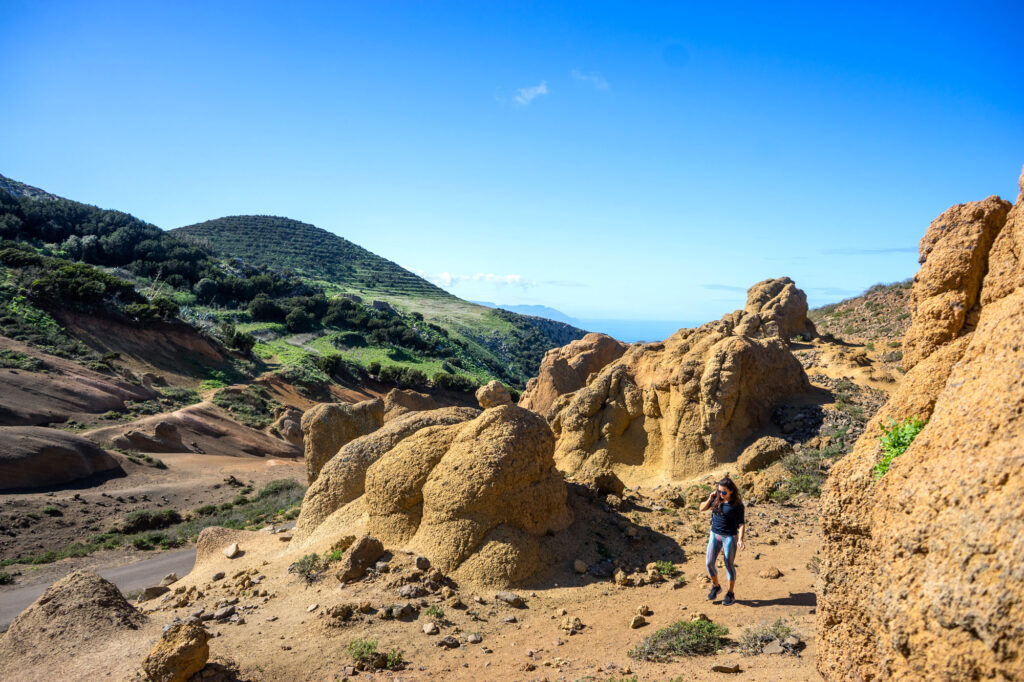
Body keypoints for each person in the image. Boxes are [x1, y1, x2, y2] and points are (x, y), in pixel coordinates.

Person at [699, 474, 746, 606]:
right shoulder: (716, 499)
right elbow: (701, 508)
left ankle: (730, 594)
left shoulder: (737, 505)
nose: (721, 493)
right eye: (719, 490)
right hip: (715, 534)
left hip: (729, 537)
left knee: (728, 564)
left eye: (724, 491)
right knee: (709, 562)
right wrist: (710, 498)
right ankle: (716, 586)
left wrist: (740, 539)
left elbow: (741, 524)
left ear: (731, 490)